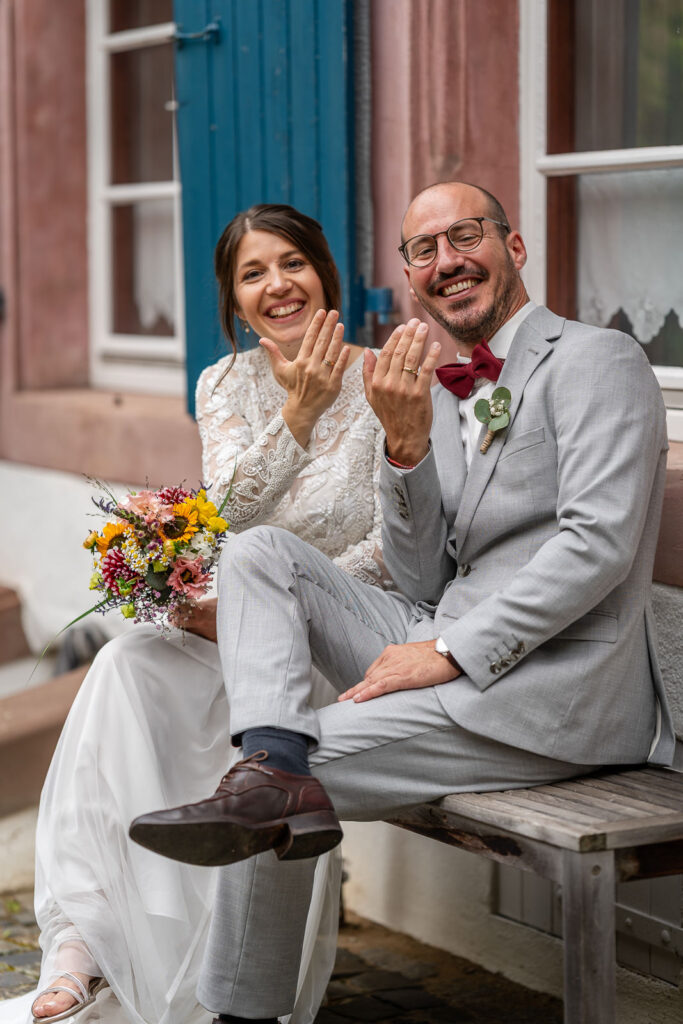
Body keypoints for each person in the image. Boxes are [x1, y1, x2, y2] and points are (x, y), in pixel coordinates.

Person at [131, 181, 675, 1024]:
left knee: (271, 789)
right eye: (423, 250)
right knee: (255, 551)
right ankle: (272, 751)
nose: (446, 262)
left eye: (465, 237)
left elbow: (596, 545)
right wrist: (406, 445)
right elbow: (422, 578)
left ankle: (241, 1005)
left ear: (514, 247)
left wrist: (450, 652)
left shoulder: (596, 359)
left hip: (551, 691)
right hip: (440, 635)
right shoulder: (442, 388)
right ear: (410, 278)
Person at [12, 204, 391, 1024]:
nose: (276, 285)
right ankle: (87, 942)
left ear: (324, 272)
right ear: (233, 299)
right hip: (231, 628)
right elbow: (225, 513)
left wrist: (275, 612)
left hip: (329, 641)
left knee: (202, 687)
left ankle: (210, 959)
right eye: (252, 273)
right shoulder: (223, 384)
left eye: (290, 262)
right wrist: (294, 419)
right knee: (123, 665)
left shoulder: (383, 377)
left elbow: (391, 547)